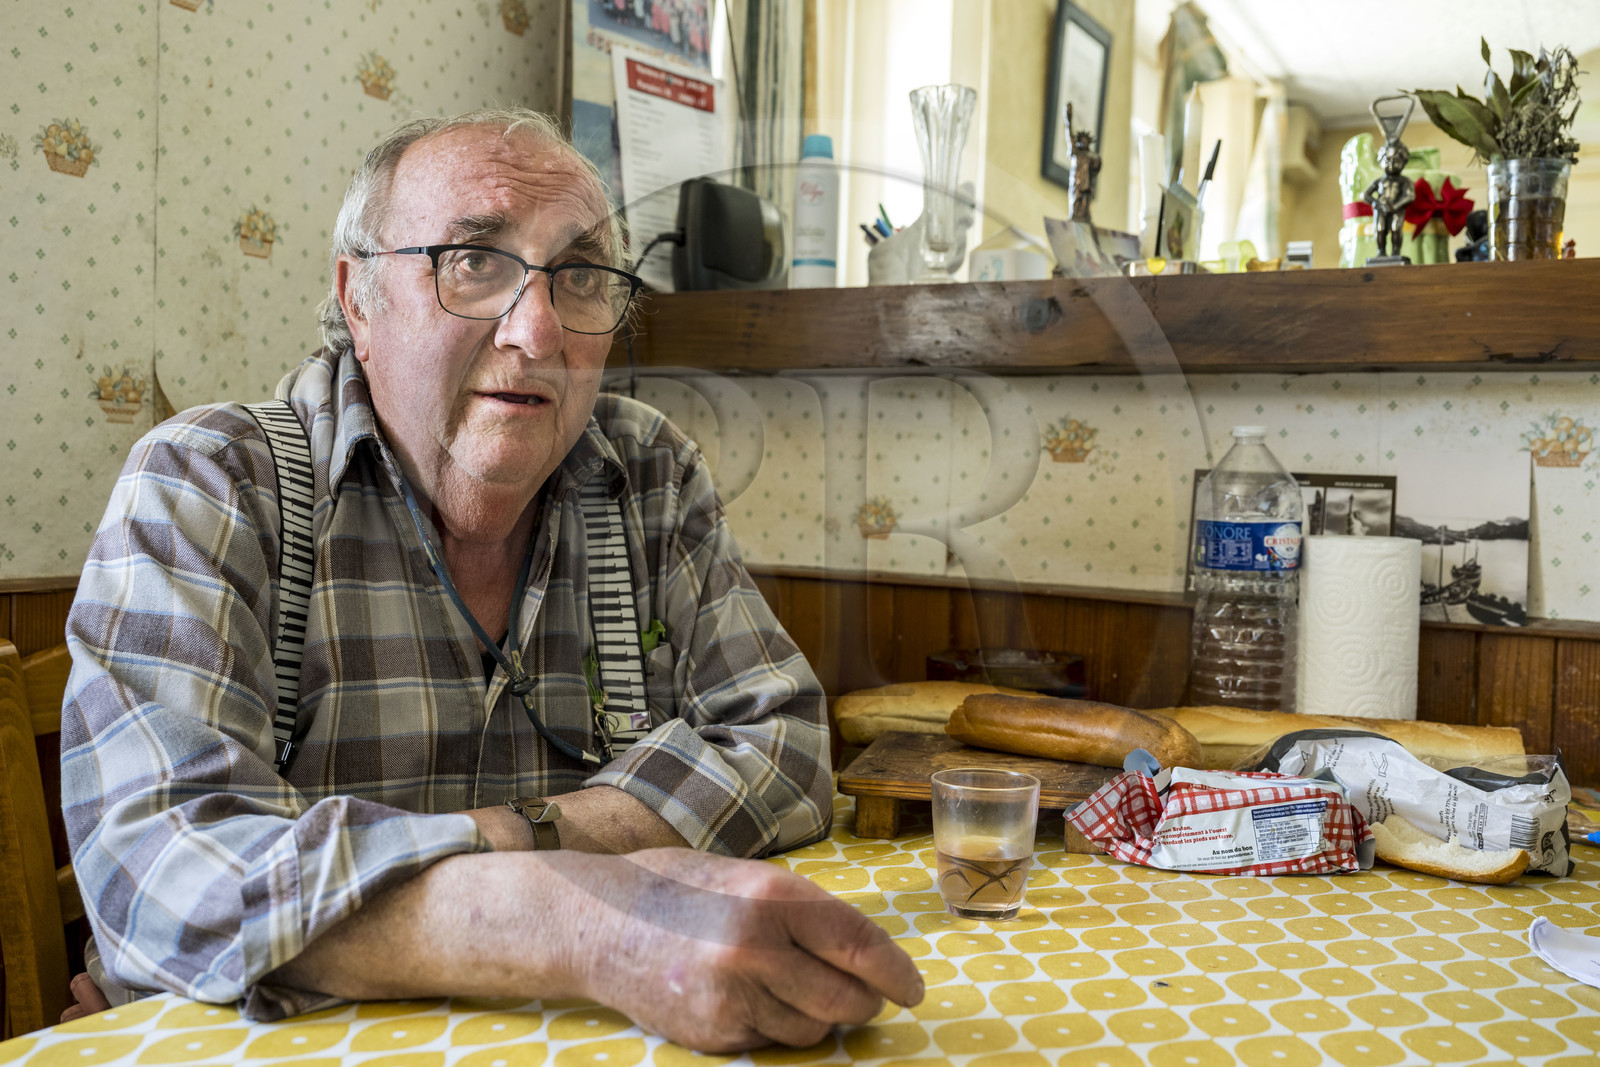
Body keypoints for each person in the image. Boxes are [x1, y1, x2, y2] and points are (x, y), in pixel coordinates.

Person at [59, 108, 923, 1051]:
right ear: (360, 299)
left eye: (581, 276)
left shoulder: (645, 472)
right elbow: (165, 869)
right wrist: (588, 921)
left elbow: (783, 746)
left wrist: (514, 840)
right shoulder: (211, 480)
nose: (538, 328)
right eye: (474, 261)